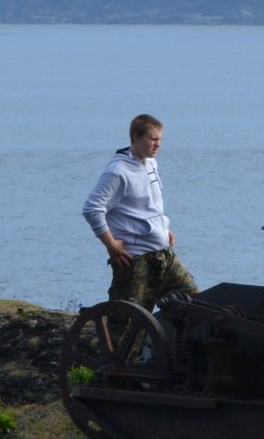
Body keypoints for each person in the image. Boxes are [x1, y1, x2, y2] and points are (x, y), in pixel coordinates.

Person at [82, 113, 196, 306]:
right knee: (128, 323)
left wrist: (163, 228)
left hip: (163, 254)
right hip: (136, 259)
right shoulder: (117, 171)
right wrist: (111, 244)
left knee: (194, 302)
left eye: (160, 139)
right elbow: (92, 209)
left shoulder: (151, 163)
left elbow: (147, 205)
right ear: (136, 137)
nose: (158, 145)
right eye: (153, 139)